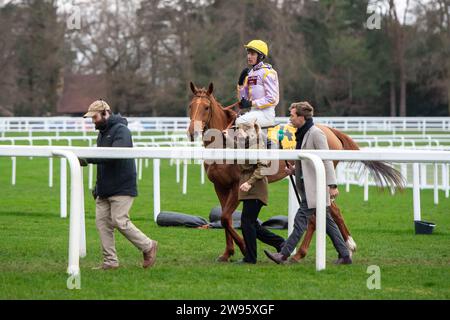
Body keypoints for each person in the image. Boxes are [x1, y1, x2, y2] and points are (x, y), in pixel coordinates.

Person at [264, 102, 352, 265]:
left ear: (301, 117)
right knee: (328, 223)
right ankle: (345, 255)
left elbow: (325, 160)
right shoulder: (302, 133)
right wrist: (294, 170)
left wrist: (332, 185)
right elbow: (307, 159)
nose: (290, 119)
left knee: (300, 220)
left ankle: (283, 254)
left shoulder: (316, 133)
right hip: (308, 185)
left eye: (292, 115)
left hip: (316, 187)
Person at [80, 99, 158, 270]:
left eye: (95, 117)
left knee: (119, 221)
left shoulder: (122, 131)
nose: (93, 121)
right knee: (102, 224)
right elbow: (103, 162)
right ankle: (110, 262)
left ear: (106, 113)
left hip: (122, 186)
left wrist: (86, 158)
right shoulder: (102, 132)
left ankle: (148, 245)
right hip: (105, 189)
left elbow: (113, 155)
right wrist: (98, 186)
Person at [236, 121, 285, 264]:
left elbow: (263, 167)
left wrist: (249, 183)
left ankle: (250, 258)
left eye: (239, 130)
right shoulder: (246, 143)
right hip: (251, 187)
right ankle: (281, 243)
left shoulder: (256, 143)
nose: (237, 133)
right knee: (252, 224)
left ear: (247, 131)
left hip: (255, 187)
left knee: (247, 222)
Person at [235, 40, 279, 128]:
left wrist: (251, 103)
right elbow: (243, 100)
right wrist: (240, 84)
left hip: (266, 114)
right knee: (232, 120)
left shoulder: (268, 72)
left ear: (261, 56)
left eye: (252, 54)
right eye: (248, 53)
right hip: (253, 113)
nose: (249, 56)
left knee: (240, 121)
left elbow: (272, 99)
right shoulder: (250, 73)